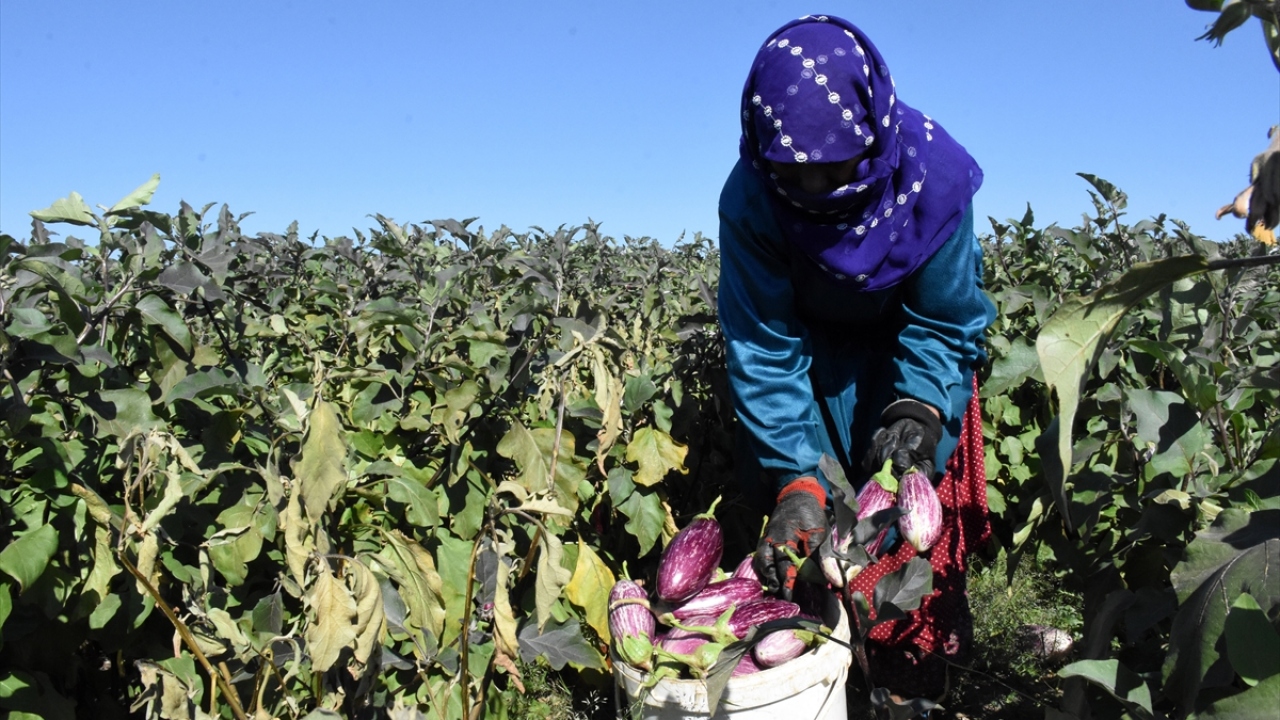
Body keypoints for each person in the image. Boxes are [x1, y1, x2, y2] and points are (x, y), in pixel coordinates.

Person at [718, 14, 996, 699]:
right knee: (815, 540)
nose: (816, 190)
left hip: (910, 363)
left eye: (835, 169)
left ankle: (911, 688)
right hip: (808, 380)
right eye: (796, 174)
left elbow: (944, 318)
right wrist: (795, 476)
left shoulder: (932, 179)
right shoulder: (752, 199)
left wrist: (920, 407)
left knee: (908, 535)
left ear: (873, 135)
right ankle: (822, 690)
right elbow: (764, 344)